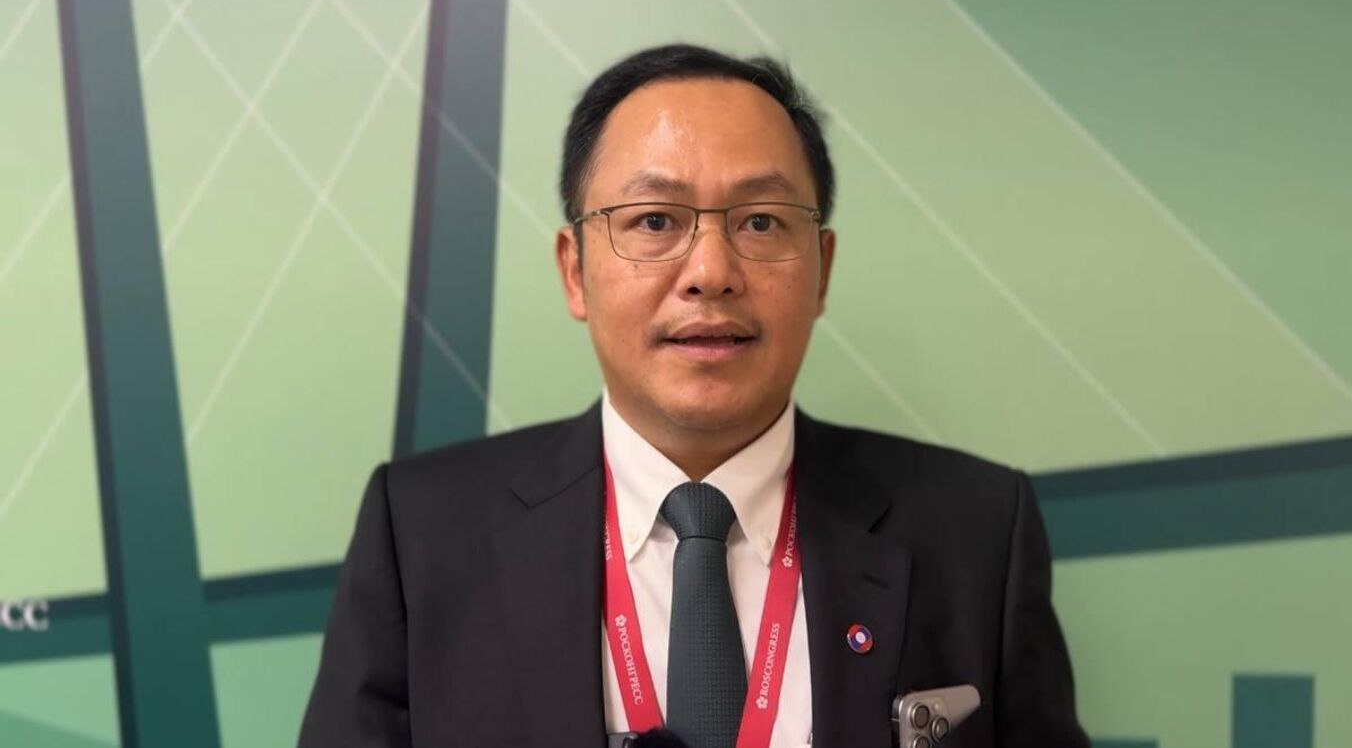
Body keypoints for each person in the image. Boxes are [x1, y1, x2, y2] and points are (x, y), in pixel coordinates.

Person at [298, 44, 1090, 748]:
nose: (711, 272)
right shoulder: (423, 536)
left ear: (822, 268)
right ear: (575, 270)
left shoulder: (977, 533)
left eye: (760, 222)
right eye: (654, 220)